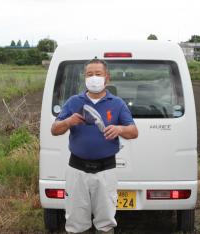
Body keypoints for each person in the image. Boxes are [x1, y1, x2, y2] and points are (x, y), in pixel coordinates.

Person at [51, 58, 138, 234]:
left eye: (98, 74)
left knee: (105, 221)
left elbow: (134, 131)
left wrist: (119, 129)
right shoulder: (74, 101)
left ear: (107, 78)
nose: (94, 78)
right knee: (76, 221)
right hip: (77, 169)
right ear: (85, 77)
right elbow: (54, 129)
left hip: (106, 170)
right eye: (89, 74)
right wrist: (69, 120)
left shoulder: (117, 103)